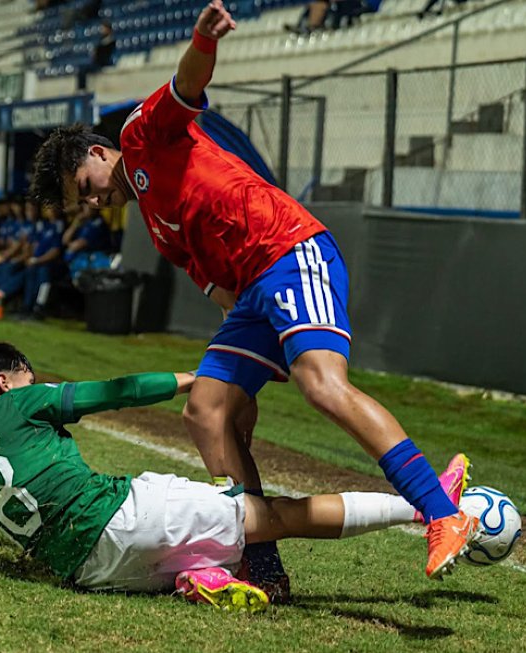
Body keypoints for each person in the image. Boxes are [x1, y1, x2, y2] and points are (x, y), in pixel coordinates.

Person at [30, 0, 480, 599]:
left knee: (322, 384)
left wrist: (203, 38)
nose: (92, 204)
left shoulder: (141, 136)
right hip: (253, 294)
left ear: (96, 153)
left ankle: (440, 510)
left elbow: (187, 84)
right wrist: (243, 383)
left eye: (84, 190)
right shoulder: (158, 229)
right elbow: (219, 291)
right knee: (208, 411)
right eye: (81, 203)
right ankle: (260, 561)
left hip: (289, 250)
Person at [0, 342, 474, 612]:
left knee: (193, 532)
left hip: (91, 574)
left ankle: (202, 576)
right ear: (5, 380)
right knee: (276, 516)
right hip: (119, 520)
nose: (35, 381)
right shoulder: (20, 402)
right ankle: (426, 504)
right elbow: (113, 391)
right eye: (28, 375)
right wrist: (194, 381)